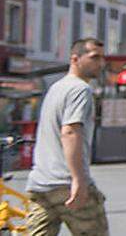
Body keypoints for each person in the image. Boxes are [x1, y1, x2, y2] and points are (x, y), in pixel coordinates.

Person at [25, 38, 109, 236]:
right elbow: (70, 131)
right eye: (94, 57)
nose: (101, 63)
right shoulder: (80, 89)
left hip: (41, 184)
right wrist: (78, 180)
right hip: (65, 183)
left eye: (102, 58)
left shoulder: (56, 87)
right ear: (75, 59)